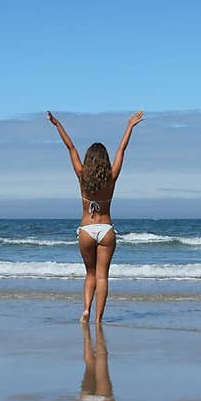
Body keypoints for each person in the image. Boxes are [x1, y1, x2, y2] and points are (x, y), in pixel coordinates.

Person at [46, 110, 144, 324]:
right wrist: (130, 126)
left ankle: (86, 310)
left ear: (88, 159)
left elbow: (70, 147)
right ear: (105, 160)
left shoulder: (82, 175)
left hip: (86, 231)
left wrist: (57, 125)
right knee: (102, 277)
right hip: (106, 230)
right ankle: (99, 319)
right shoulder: (111, 177)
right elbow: (121, 149)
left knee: (90, 274)